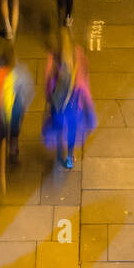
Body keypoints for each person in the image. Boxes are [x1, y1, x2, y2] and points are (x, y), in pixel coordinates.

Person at [42, 28, 97, 170]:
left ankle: (60, 153)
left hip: (58, 109)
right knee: (72, 132)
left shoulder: (52, 59)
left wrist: (51, 100)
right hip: (74, 109)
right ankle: (69, 158)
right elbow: (84, 84)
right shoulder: (78, 55)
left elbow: (48, 87)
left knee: (60, 131)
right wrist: (88, 106)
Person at [0, 47, 34, 192]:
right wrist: (25, 108)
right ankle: (13, 153)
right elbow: (27, 92)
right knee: (14, 134)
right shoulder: (20, 72)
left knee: (1, 136)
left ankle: (0, 160)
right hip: (15, 111)